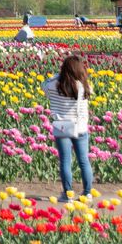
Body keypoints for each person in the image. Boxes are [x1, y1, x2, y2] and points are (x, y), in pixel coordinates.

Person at [43, 55, 94, 199]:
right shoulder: (85, 86)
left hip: (62, 127)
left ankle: (67, 194)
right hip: (80, 127)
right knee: (83, 160)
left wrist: (57, 76)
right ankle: (87, 193)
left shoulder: (54, 85)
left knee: (66, 160)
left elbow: (44, 86)